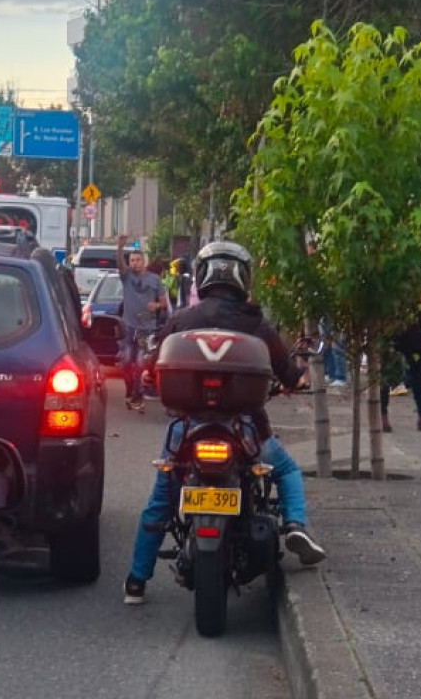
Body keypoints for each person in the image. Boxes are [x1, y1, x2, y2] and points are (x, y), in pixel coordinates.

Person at [123, 241, 326, 605]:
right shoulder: (255, 323)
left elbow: (150, 371)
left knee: (160, 502)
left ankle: (137, 580)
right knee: (287, 470)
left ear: (202, 277)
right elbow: (289, 374)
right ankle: (295, 525)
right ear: (242, 278)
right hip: (245, 429)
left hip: (186, 429)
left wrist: (153, 381)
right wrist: (295, 381)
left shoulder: (182, 320)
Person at [380, 286, 421, 432]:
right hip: (412, 325)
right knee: (417, 370)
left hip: (387, 323)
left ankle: (381, 416)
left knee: (384, 370)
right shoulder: (414, 267)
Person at [116, 234, 165, 411]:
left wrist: (157, 305)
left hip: (147, 329)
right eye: (132, 260)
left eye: (138, 260)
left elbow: (164, 302)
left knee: (140, 363)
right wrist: (120, 248)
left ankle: (138, 395)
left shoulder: (155, 280)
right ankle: (130, 390)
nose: (134, 263)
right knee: (127, 361)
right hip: (128, 327)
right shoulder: (127, 276)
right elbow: (120, 265)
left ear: (143, 261)